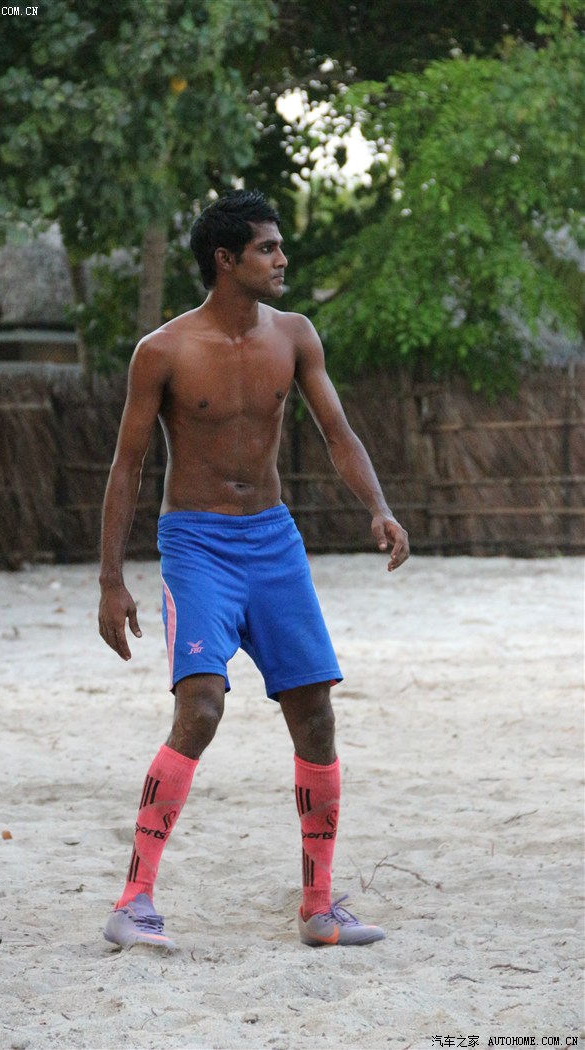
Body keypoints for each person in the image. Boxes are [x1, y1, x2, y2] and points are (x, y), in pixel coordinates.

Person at [98, 189, 409, 951]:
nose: (281, 259)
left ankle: (319, 908)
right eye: (267, 248)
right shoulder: (163, 350)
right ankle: (133, 902)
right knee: (201, 708)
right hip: (196, 544)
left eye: (278, 246)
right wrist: (111, 580)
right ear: (225, 259)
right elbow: (127, 466)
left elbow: (337, 432)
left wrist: (378, 507)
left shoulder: (295, 335)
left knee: (316, 714)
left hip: (274, 541)